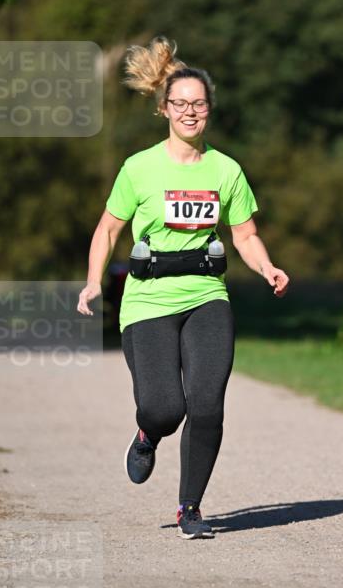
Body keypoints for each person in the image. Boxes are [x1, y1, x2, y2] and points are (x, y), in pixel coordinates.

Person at [77, 36, 289, 538]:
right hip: (147, 298)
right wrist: (91, 282)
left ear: (209, 110)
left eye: (198, 103)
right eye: (180, 103)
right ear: (164, 109)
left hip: (206, 296)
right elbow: (108, 229)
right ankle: (148, 433)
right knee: (164, 406)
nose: (189, 111)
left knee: (209, 404)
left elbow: (245, 234)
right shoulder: (140, 168)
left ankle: (190, 508)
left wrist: (267, 267)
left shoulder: (226, 170)